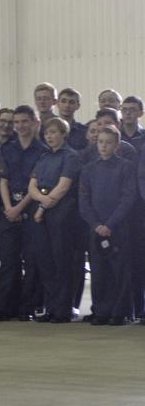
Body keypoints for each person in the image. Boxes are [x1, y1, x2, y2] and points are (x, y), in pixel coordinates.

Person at [0, 105, 48, 322]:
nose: (20, 126)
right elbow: (3, 180)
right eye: (17, 122)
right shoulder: (7, 149)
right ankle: (3, 307)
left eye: (24, 121)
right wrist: (9, 208)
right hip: (9, 210)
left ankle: (27, 307)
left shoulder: (43, 151)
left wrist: (19, 208)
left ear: (34, 122)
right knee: (8, 262)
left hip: (31, 210)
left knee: (31, 262)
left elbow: (37, 184)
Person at [79, 125, 136, 325]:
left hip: (118, 227)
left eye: (108, 142)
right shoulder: (88, 169)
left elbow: (128, 198)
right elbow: (84, 201)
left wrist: (110, 224)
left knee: (119, 270)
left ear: (117, 145)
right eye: (101, 142)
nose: (104, 146)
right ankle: (102, 311)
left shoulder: (125, 167)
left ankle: (119, 312)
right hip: (96, 228)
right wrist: (96, 224)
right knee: (99, 270)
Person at [29, 117, 81, 323]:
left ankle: (63, 309)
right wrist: (41, 200)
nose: (50, 136)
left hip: (61, 213)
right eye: (47, 133)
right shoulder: (43, 157)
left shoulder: (71, 156)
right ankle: (51, 307)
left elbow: (63, 187)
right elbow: (32, 184)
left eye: (54, 132)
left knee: (62, 261)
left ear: (64, 134)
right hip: (42, 210)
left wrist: (42, 207)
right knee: (45, 261)